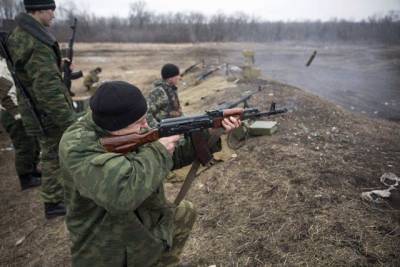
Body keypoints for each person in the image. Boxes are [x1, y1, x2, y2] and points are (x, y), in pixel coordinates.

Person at [59, 81, 240, 266]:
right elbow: (122, 194)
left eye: (145, 118)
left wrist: (211, 133)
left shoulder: (130, 126)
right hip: (106, 246)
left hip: (145, 218)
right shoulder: (77, 146)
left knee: (184, 212)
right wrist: (159, 150)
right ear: (116, 127)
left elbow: (169, 158)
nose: (146, 125)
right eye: (140, 122)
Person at [7, 0, 77, 218]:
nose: (53, 16)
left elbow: (36, 75)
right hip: (46, 112)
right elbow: (46, 87)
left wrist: (59, 67)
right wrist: (68, 121)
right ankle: (54, 202)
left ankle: (56, 197)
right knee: (53, 154)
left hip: (36, 108)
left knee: (50, 153)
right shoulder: (35, 42)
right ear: (39, 11)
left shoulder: (21, 34)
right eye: (51, 11)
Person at [0, 57, 41, 190]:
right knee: (24, 144)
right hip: (11, 113)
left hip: (20, 110)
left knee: (33, 142)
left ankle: (32, 170)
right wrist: (17, 114)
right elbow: (5, 96)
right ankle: (25, 178)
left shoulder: (9, 63)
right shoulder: (2, 67)